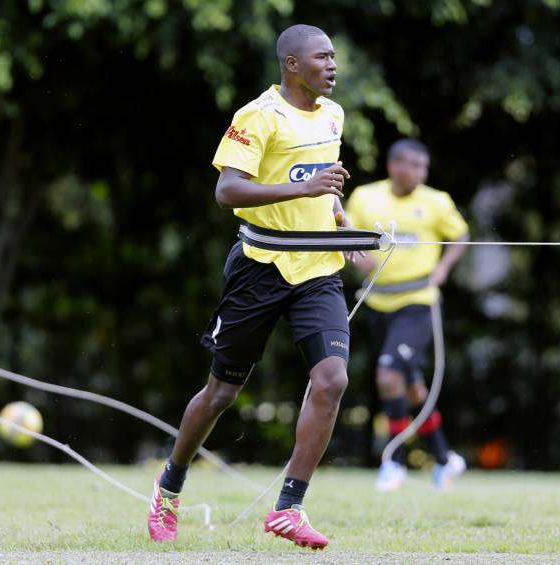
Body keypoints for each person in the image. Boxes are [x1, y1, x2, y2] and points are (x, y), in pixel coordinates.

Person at [148, 24, 357, 550]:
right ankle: (169, 488)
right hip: (259, 267)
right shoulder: (257, 116)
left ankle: (289, 507)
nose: (332, 66)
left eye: (334, 57)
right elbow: (227, 191)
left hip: (317, 271)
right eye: (322, 57)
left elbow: (323, 184)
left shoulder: (333, 115)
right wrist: (302, 186)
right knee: (221, 392)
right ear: (292, 64)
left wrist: (342, 221)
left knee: (331, 381)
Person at [346, 138, 469, 491]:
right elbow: (345, 231)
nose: (420, 173)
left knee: (388, 376)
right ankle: (445, 460)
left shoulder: (436, 201)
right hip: (377, 302)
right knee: (412, 386)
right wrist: (355, 254)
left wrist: (444, 267)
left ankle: (394, 461)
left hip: (418, 301)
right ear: (393, 167)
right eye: (413, 165)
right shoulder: (367, 197)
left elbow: (460, 236)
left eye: (423, 167)